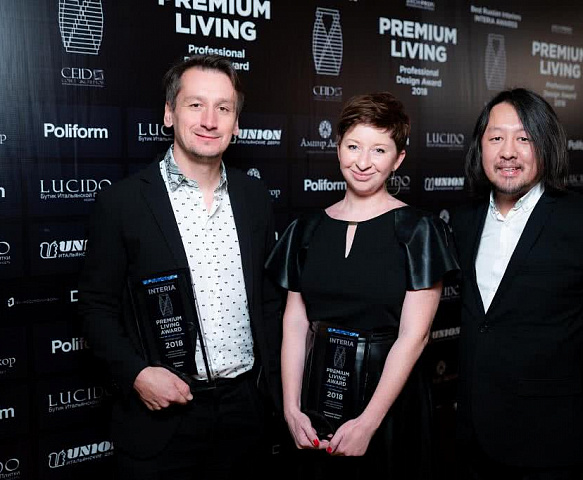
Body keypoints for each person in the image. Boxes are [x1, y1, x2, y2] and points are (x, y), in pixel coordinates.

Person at [77, 54, 282, 480]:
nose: (209, 120)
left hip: (246, 413)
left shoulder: (255, 198)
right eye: (195, 105)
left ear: (236, 123)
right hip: (161, 418)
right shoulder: (122, 203)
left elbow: (268, 302)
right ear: (169, 114)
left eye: (223, 108)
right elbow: (96, 307)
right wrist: (137, 375)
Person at [265, 92, 459, 479]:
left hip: (388, 405)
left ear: (398, 159)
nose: (363, 162)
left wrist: (368, 423)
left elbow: (415, 336)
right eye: (353, 146)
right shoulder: (306, 229)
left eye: (379, 150)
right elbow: (295, 323)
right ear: (338, 146)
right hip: (318, 399)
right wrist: (291, 408)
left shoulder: (419, 230)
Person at [451, 87, 583, 479]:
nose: (508, 152)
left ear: (546, 145)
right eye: (496, 138)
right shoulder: (464, 220)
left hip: (551, 443)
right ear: (480, 146)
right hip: (471, 439)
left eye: (524, 138)